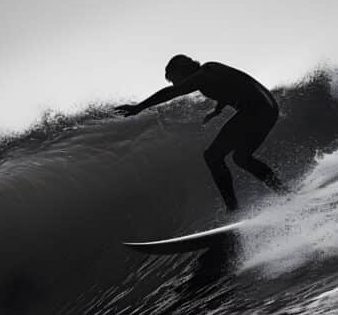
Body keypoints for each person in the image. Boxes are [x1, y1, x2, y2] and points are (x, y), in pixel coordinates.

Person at [115, 54, 286, 211]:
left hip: (254, 110)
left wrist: (139, 107)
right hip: (269, 109)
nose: (175, 84)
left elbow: (172, 92)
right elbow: (233, 86)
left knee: (212, 156)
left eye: (174, 79)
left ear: (182, 70)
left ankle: (233, 209)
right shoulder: (211, 70)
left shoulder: (205, 73)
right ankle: (284, 193)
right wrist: (217, 109)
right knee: (241, 158)